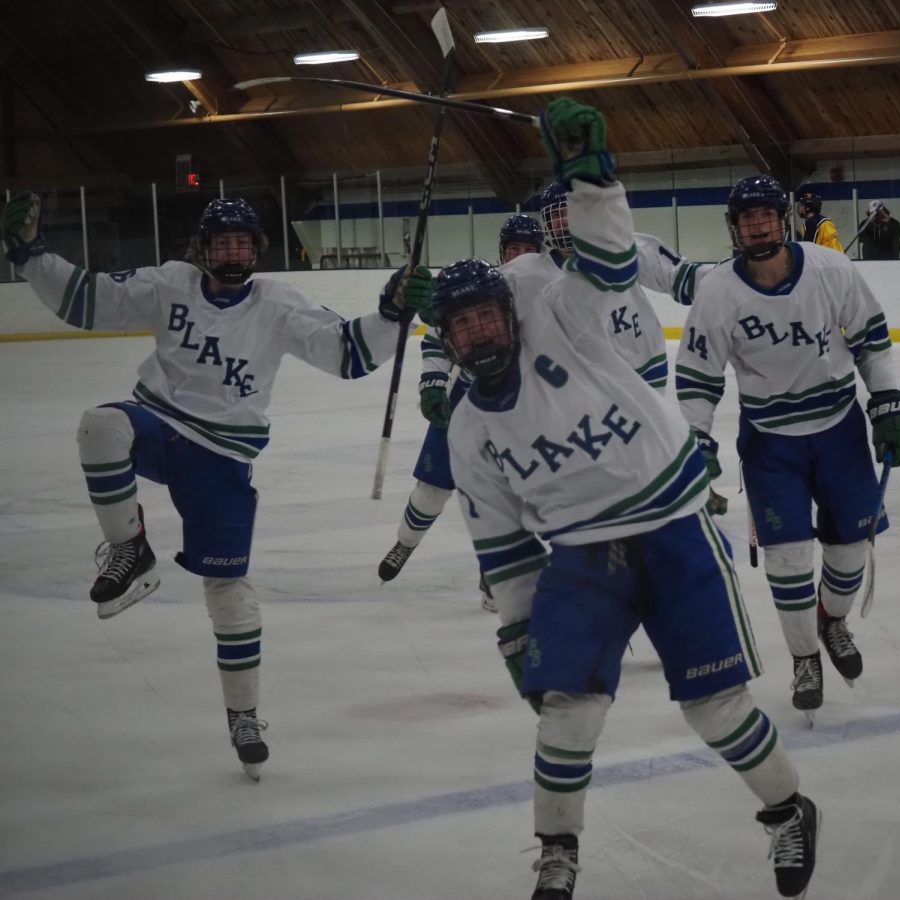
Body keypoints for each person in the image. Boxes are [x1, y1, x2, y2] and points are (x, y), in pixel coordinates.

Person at [440, 98, 819, 900]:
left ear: (509, 310)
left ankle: (787, 809)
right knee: (566, 716)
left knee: (715, 710)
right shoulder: (467, 431)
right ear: (446, 340)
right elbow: (504, 549)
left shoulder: (565, 314)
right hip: (582, 555)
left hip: (674, 526)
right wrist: (516, 632)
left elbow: (610, 259)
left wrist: (592, 181)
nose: (477, 332)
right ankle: (557, 851)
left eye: (484, 315)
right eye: (459, 324)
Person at [0, 194, 426, 780]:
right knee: (101, 425)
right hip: (157, 423)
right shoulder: (169, 284)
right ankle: (130, 548)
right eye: (222, 242)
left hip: (223, 454)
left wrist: (390, 313)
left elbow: (346, 354)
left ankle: (244, 715)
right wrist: (29, 254)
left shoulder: (277, 303)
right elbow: (85, 300)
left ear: (257, 249)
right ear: (202, 250)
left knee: (227, 590)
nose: (233, 251)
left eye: (243, 242)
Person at [377, 177, 717, 593]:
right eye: (559, 215)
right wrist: (436, 314)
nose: (568, 225)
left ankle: (636, 574)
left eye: (576, 214)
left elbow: (687, 277)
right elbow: (461, 313)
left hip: (636, 391)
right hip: (562, 399)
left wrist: (741, 281)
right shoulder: (523, 274)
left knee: (628, 488)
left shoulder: (623, 247)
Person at [675, 174, 900, 721]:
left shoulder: (830, 269)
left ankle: (831, 621)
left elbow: (871, 339)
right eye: (746, 218)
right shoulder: (718, 291)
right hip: (770, 444)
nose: (757, 225)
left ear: (781, 218)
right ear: (734, 228)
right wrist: (697, 437)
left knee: (851, 549)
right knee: (786, 557)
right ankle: (804, 655)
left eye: (765, 215)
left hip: (840, 432)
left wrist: (888, 403)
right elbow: (697, 374)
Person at [376, 214, 546, 610]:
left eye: (528, 250)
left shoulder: (547, 294)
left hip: (520, 411)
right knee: (432, 489)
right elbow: (438, 338)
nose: (519, 257)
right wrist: (433, 385)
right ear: (501, 251)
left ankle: (495, 575)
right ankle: (405, 543)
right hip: (466, 401)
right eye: (512, 249)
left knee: (514, 496)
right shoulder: (482, 285)